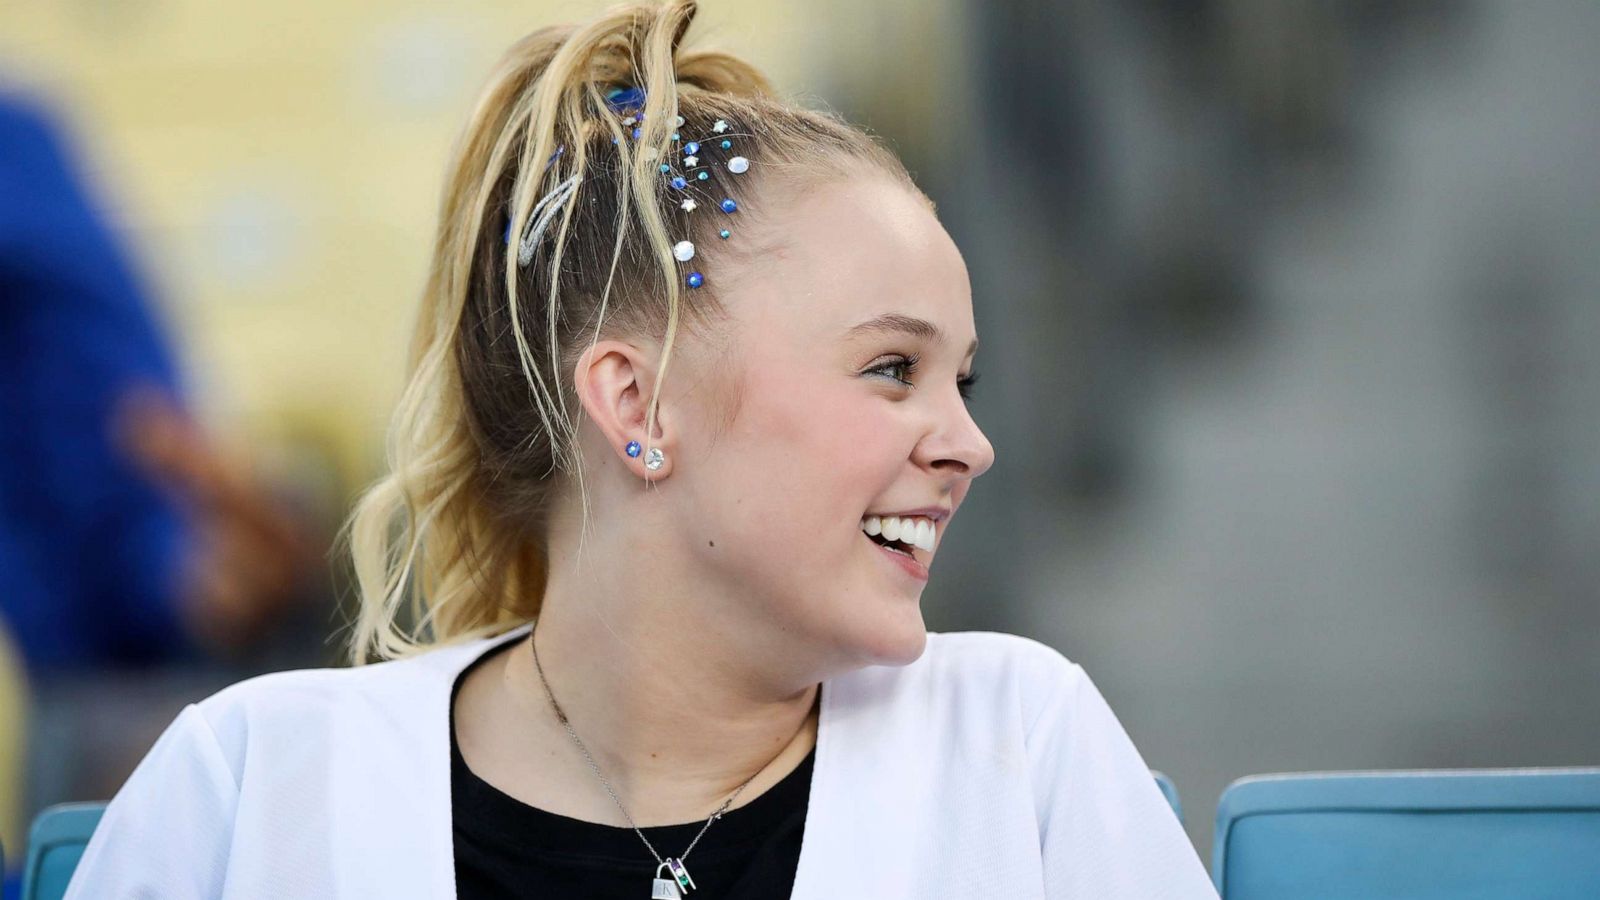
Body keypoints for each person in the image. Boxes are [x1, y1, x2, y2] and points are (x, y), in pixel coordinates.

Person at [63, 2, 1218, 896]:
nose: (970, 445)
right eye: (890, 370)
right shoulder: (245, 784)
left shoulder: (1023, 743)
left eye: (960, 382)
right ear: (638, 402)